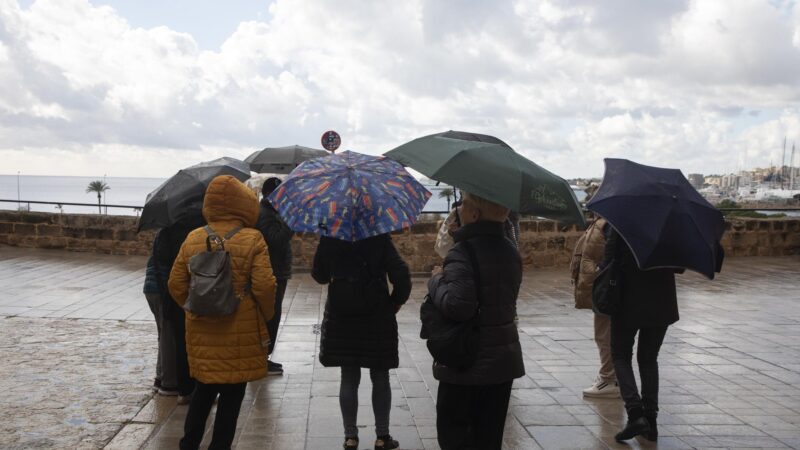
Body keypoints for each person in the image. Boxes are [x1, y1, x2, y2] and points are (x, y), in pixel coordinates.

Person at [168, 175, 276, 450]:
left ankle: (188, 444)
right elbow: (264, 286)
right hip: (239, 330)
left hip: (201, 329)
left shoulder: (194, 237)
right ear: (243, 204)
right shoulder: (253, 239)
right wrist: (265, 313)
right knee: (231, 398)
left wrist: (195, 307)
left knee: (202, 391)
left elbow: (175, 284)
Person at [426, 191, 525, 450]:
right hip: (502, 360)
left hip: (467, 361)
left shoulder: (462, 252)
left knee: (455, 436)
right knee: (488, 439)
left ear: (474, 214)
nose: (459, 208)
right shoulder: (510, 250)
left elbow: (458, 306)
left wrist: (437, 279)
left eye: (464, 204)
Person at [311, 233, 411, 450]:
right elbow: (401, 273)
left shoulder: (332, 235)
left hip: (342, 314)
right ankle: (382, 437)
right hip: (377, 313)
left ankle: (350, 437)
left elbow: (319, 275)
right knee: (380, 375)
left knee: (348, 376)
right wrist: (395, 302)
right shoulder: (379, 236)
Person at [602, 227, 679, 442]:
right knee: (648, 359)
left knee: (620, 355)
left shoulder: (623, 222)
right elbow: (679, 267)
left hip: (628, 299)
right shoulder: (669, 225)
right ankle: (651, 422)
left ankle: (635, 413)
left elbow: (609, 258)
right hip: (661, 301)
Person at [569, 193, 619, 398]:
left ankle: (609, 379)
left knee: (604, 334)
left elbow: (612, 255)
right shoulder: (602, 223)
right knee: (604, 333)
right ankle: (610, 376)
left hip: (605, 287)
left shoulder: (608, 225)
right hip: (600, 285)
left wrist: (600, 271)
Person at [157, 221, 201, 404]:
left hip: (176, 297)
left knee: (180, 344)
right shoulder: (200, 231)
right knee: (199, 343)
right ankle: (199, 388)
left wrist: (179, 300)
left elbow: (162, 266)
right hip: (199, 294)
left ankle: (184, 389)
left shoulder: (166, 230)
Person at [255, 177, 293, 376]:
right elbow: (277, 240)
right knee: (270, 315)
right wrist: (291, 221)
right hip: (273, 271)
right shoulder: (265, 214)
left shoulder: (271, 212)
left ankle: (264, 357)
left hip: (277, 270)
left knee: (272, 314)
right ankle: (262, 358)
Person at [143, 231, 178, 396]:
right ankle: (169, 383)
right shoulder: (172, 235)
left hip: (151, 287)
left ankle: (159, 378)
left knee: (163, 334)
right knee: (168, 335)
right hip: (161, 289)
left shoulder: (162, 233)